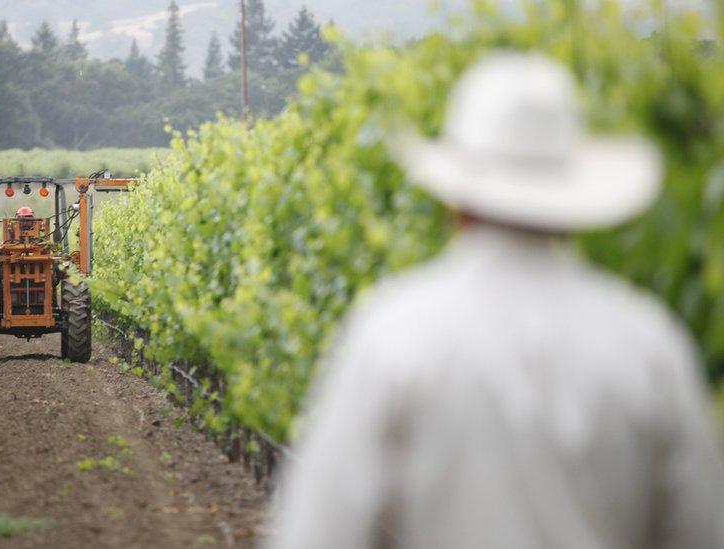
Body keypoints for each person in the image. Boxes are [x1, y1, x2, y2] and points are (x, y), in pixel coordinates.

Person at [266, 52, 724, 549]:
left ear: (457, 195)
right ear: (572, 193)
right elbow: (700, 531)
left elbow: (318, 533)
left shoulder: (396, 332)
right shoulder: (647, 344)